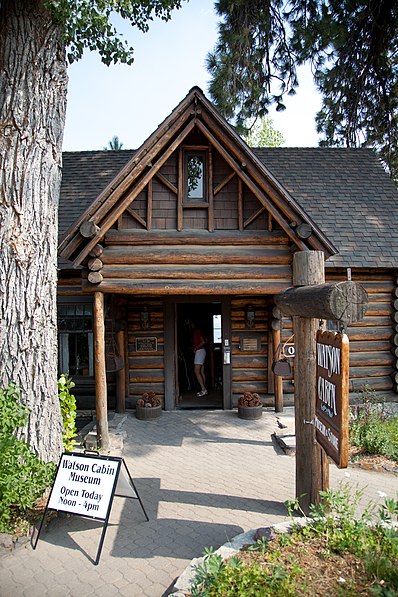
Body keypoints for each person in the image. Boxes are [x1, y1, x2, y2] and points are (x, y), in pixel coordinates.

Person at [191, 321, 207, 397]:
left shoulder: (197, 332)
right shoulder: (200, 331)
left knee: (196, 371)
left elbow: (203, 341)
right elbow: (205, 340)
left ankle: (203, 389)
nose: (191, 325)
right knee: (201, 371)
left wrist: (196, 348)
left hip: (200, 351)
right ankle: (204, 389)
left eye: (191, 323)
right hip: (202, 351)